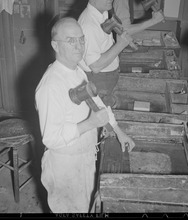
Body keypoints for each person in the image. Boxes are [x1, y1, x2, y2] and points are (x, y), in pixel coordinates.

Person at [35, 17, 135, 213]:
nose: (79, 45)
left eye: (81, 39)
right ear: (55, 45)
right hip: (66, 167)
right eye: (71, 40)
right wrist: (90, 124)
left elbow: (97, 102)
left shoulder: (77, 71)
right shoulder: (50, 85)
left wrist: (117, 130)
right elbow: (51, 138)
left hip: (85, 157)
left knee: (88, 205)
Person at [78, 0, 133, 107]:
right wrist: (120, 44)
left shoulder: (102, 14)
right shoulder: (88, 25)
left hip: (106, 79)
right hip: (97, 81)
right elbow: (95, 66)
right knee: (101, 121)